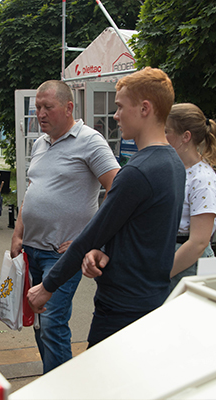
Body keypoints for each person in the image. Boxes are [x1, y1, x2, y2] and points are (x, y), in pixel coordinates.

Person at [27, 68, 185, 348]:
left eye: (120, 107)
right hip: (151, 294)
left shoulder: (137, 172)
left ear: (145, 109)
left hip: (123, 305)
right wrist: (103, 250)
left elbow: (93, 233)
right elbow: (138, 229)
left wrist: (47, 286)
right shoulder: (172, 163)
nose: (115, 115)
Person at [12, 80, 120, 372]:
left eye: (48, 107)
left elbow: (117, 189)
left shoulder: (90, 140)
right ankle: (53, 381)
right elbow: (33, 189)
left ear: (69, 107)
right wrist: (18, 231)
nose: (41, 114)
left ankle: (61, 388)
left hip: (62, 254)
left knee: (52, 323)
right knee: (39, 323)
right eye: (38, 107)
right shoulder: (39, 142)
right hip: (32, 250)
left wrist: (89, 240)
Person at [165, 103, 216, 292]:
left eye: (166, 131)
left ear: (186, 137)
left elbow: (198, 242)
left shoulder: (203, 179)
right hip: (170, 257)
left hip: (186, 266)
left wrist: (161, 275)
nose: (162, 136)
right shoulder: (174, 169)